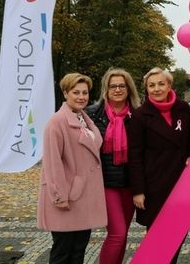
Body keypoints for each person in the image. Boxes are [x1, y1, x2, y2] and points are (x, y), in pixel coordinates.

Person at [128, 67, 190, 263]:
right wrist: (138, 191)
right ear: (146, 88)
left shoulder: (182, 108)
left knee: (178, 234)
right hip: (154, 186)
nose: (156, 89)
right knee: (158, 240)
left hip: (181, 183)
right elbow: (134, 155)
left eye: (161, 84)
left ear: (169, 85)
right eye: (151, 85)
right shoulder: (140, 115)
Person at [37, 73, 107, 264]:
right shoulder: (57, 122)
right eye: (76, 92)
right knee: (62, 252)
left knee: (78, 252)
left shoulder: (84, 118)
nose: (81, 96)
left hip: (84, 198)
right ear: (65, 93)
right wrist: (59, 196)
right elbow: (52, 163)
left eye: (85, 92)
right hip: (67, 196)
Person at [85, 68, 141, 264]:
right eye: (113, 86)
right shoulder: (92, 114)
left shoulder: (138, 115)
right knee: (116, 233)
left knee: (123, 234)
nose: (117, 89)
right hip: (105, 183)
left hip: (130, 184)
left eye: (121, 86)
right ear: (106, 90)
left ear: (128, 89)